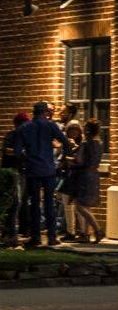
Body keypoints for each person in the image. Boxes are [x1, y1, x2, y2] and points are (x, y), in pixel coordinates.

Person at [17, 102, 69, 249]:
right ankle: (52, 237)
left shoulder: (24, 128)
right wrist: (61, 159)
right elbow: (65, 142)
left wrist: (26, 158)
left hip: (33, 169)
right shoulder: (50, 126)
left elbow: (17, 151)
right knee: (49, 203)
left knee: (34, 204)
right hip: (48, 169)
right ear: (45, 112)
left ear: (33, 112)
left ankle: (36, 237)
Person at [68, 121, 104, 243]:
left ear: (88, 130)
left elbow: (79, 160)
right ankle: (86, 234)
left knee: (80, 205)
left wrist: (68, 160)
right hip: (94, 174)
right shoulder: (99, 143)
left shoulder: (86, 143)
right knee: (87, 205)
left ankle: (97, 229)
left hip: (85, 175)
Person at [0, 112, 29, 249]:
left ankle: (11, 233)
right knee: (14, 203)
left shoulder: (25, 137)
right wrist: (20, 152)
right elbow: (6, 150)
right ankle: (10, 235)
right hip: (12, 172)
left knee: (19, 204)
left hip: (22, 172)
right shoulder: (12, 135)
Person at [57, 121, 83, 241]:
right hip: (68, 175)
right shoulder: (65, 143)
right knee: (68, 205)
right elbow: (61, 160)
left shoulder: (83, 144)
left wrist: (74, 149)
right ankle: (70, 231)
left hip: (78, 177)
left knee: (80, 206)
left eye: (76, 130)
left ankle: (82, 231)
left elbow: (80, 161)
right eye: (71, 130)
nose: (74, 132)